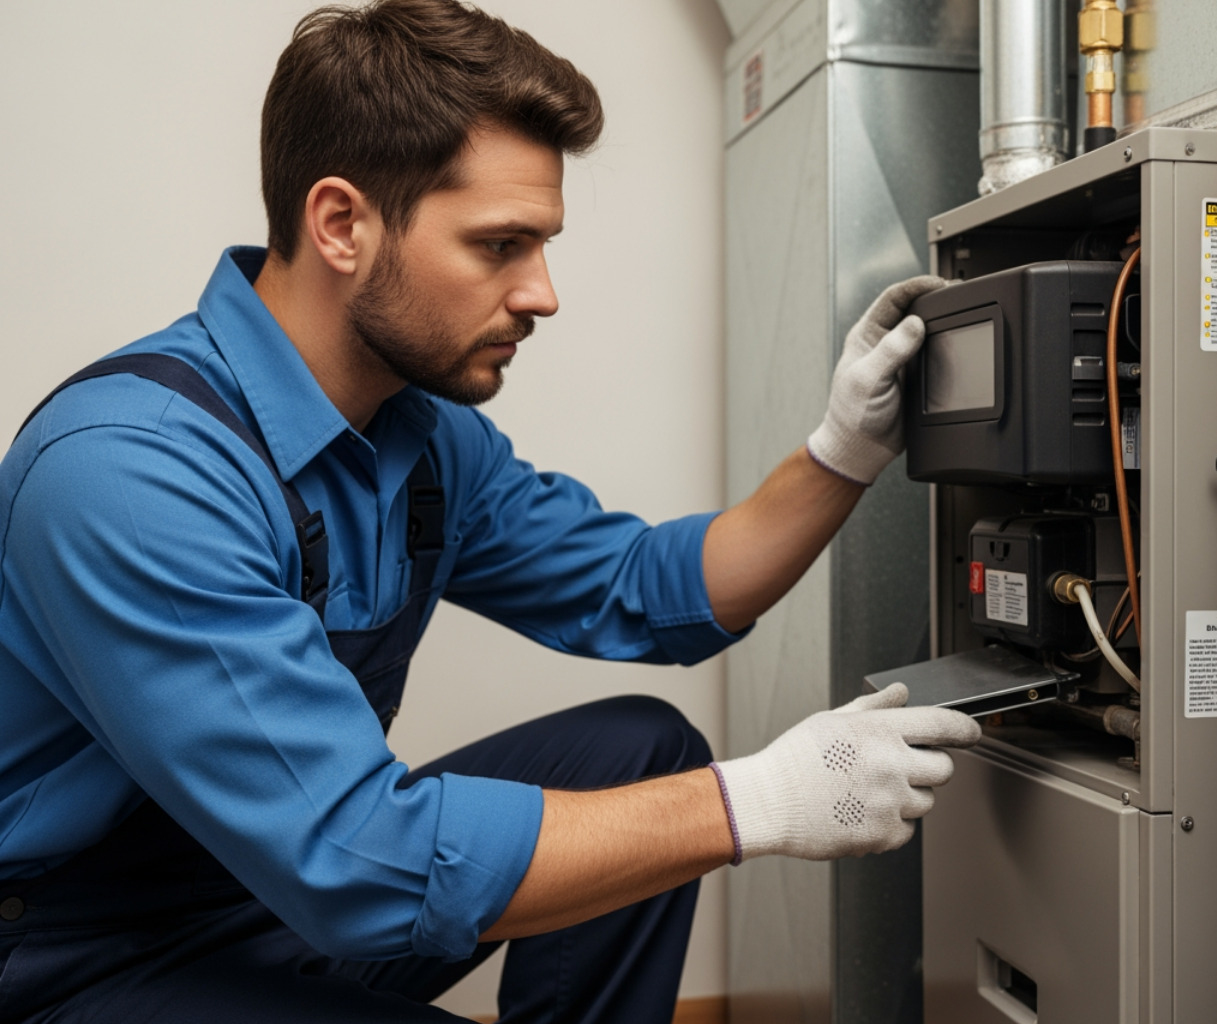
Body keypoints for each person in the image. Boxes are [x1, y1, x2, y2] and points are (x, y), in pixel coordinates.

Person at [0, 2, 978, 1022]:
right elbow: (351, 860)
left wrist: (844, 451)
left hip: (267, 895)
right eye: (500, 245)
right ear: (341, 224)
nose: (542, 293)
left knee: (643, 749)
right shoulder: (132, 471)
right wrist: (761, 802)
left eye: (541, 244)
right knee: (656, 801)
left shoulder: (421, 436)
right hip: (70, 954)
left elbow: (649, 592)